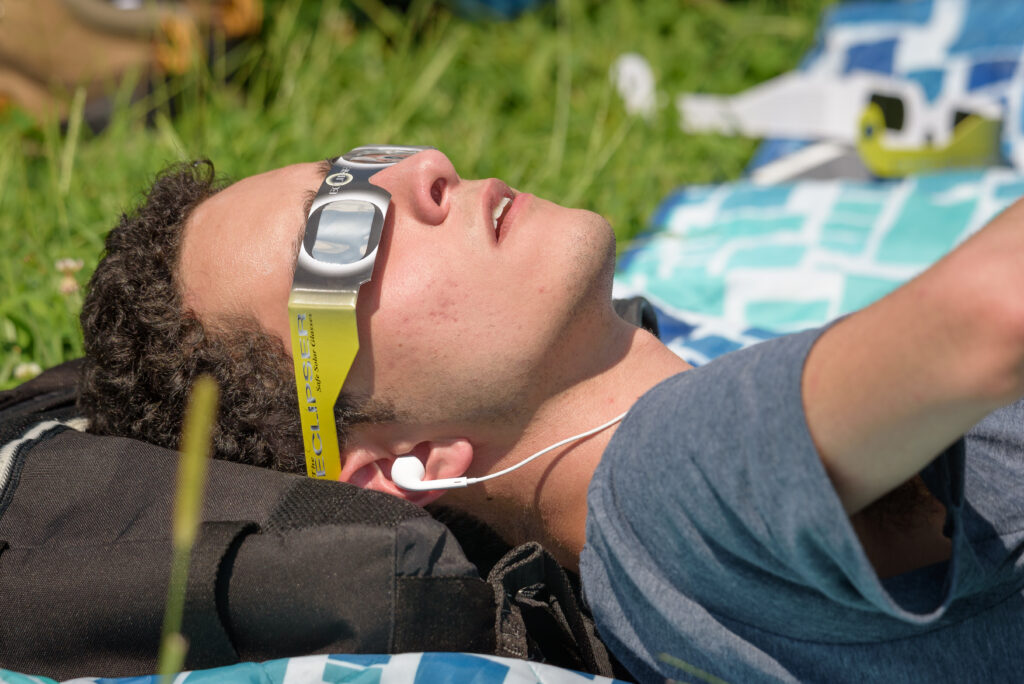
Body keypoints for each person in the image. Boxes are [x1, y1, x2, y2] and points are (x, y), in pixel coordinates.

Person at [79, 148, 1024, 682]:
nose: (422, 170)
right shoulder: (668, 477)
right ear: (402, 463)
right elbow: (997, 317)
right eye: (338, 237)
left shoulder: (644, 562)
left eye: (357, 166)